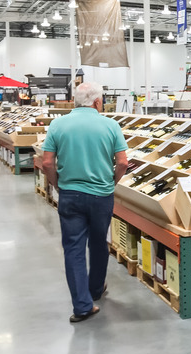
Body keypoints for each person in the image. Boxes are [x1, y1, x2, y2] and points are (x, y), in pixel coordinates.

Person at [42, 82, 128, 323]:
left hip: (70, 194)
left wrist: (57, 184)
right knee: (99, 243)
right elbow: (122, 162)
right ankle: (96, 289)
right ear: (98, 102)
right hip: (101, 195)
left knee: (73, 249)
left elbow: (47, 162)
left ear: (74, 100)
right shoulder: (110, 125)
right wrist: (112, 182)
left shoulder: (58, 124)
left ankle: (82, 306)